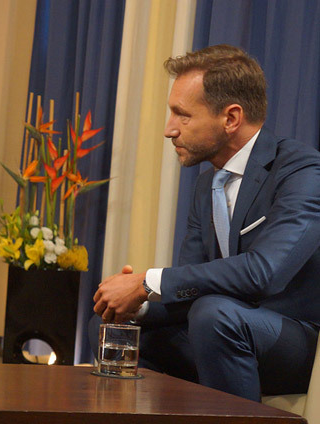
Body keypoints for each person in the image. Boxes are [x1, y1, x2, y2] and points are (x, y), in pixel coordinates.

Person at [90, 44, 320, 401]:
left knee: (214, 315)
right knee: (113, 322)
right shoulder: (208, 182)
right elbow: (193, 282)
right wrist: (140, 303)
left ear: (230, 118)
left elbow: (265, 272)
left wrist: (149, 282)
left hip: (294, 340)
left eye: (182, 115)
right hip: (219, 327)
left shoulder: (303, 171)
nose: (169, 130)